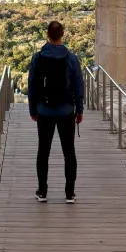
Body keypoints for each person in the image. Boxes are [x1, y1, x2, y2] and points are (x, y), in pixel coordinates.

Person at [28, 20, 84, 203]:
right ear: (62, 34)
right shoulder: (71, 58)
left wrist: (33, 109)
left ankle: (42, 191)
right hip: (66, 111)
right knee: (69, 152)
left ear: (47, 35)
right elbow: (79, 86)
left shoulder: (38, 58)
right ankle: (70, 193)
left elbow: (32, 86)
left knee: (43, 151)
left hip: (44, 111)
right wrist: (80, 110)